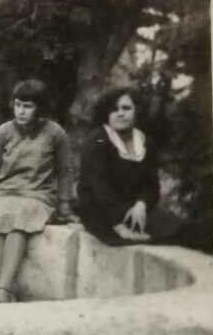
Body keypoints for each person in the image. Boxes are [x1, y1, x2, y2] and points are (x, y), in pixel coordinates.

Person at [0, 79, 74, 302]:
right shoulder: (3, 132)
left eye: (28, 106)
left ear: (40, 108)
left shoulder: (55, 133)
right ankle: (8, 289)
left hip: (37, 193)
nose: (21, 111)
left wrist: (64, 202)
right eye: (18, 105)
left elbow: (65, 170)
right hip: (5, 191)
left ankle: (2, 290)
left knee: (19, 223)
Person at [77, 86, 183, 246]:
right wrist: (118, 225)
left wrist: (141, 204)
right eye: (114, 109)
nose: (120, 113)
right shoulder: (97, 141)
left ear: (137, 111)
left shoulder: (145, 142)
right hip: (101, 213)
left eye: (126, 108)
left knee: (181, 230)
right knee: (145, 239)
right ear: (107, 114)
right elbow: (98, 188)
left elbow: (151, 186)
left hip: (134, 212)